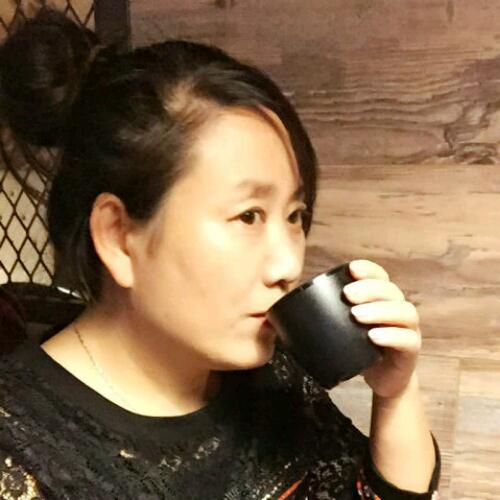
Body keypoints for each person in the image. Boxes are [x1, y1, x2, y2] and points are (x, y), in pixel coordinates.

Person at [0, 8, 440, 499]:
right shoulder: (20, 456)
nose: (288, 265)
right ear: (119, 236)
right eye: (249, 216)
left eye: (295, 215)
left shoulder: (269, 374)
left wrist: (395, 393)